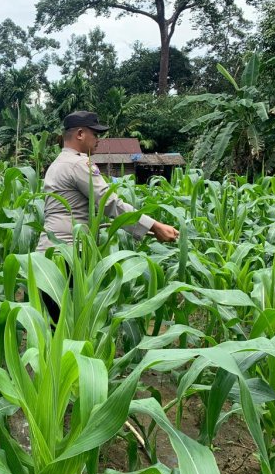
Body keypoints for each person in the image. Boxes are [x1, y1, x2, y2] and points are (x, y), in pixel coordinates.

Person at [37, 110, 179, 322]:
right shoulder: (78, 164)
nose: (99, 141)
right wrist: (155, 226)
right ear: (80, 134)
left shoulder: (57, 164)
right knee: (70, 328)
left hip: (46, 258)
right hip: (67, 256)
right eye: (96, 134)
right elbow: (110, 203)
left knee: (54, 329)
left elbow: (74, 211)